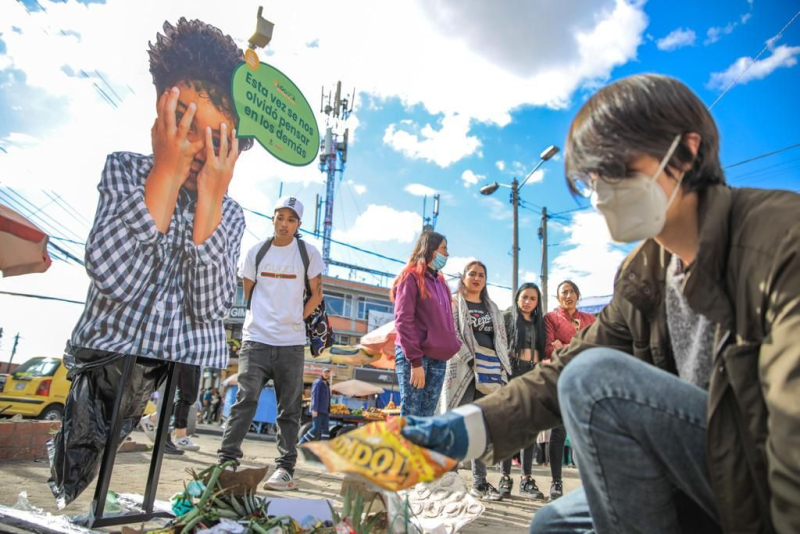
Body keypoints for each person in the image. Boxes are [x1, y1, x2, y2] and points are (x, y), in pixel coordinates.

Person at [400, 74, 800, 534]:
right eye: (591, 178)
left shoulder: (782, 244)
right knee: (553, 524)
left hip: (759, 481)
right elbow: (562, 372)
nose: (600, 191)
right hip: (700, 472)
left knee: (598, 382)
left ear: (687, 151)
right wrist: (459, 432)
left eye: (615, 167)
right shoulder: (645, 272)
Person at [48, 17, 249, 506]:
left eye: (216, 137)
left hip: (171, 359)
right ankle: (73, 487)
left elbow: (209, 307)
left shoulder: (231, 214)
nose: (196, 145)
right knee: (84, 442)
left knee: (126, 426)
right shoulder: (126, 170)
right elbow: (115, 277)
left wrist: (209, 205)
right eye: (183, 120)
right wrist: (164, 174)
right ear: (160, 113)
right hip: (106, 352)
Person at [218, 196, 324, 492]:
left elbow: (317, 294)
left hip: (291, 343)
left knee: (289, 409)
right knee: (245, 399)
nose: (284, 224)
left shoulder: (308, 253)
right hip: (256, 339)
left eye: (291, 219)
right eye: (280, 217)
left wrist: (296, 318)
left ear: (299, 225)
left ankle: (285, 469)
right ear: (273, 219)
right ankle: (226, 460)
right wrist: (264, 316)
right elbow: (249, 291)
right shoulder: (256, 251)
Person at [441, 261, 512, 501]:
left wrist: (502, 368)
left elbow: (501, 340)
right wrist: (471, 360)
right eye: (472, 274)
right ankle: (450, 482)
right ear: (463, 277)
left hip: (490, 372)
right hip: (463, 370)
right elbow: (451, 334)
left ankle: (480, 484)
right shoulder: (453, 302)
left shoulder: (492, 307)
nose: (477, 278)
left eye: (482, 275)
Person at [391, 231, 461, 417]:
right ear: (430, 250)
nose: (447, 254)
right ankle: (405, 447)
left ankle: (420, 448)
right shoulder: (410, 277)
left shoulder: (441, 283)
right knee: (412, 414)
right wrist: (415, 362)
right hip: (416, 356)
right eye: (444, 248)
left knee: (428, 416)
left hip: (438, 357)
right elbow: (403, 320)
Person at [541, 280, 596, 500]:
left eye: (572, 291)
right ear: (558, 298)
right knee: (559, 430)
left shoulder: (590, 319)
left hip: (585, 380)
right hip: (560, 379)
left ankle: (592, 485)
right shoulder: (551, 318)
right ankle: (556, 482)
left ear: (578, 295)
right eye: (564, 292)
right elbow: (547, 348)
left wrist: (563, 345)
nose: (569, 295)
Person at [498, 282, 547, 500]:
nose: (527, 302)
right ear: (517, 297)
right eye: (524, 297)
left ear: (538, 302)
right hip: (512, 374)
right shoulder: (507, 317)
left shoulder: (540, 323)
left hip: (533, 374)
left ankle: (526, 479)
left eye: (532, 298)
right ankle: (504, 477)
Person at [139, 364, 203, 452]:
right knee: (183, 395)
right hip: (184, 355)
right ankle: (180, 436)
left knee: (189, 397)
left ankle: (152, 419)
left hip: (197, 357)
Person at [299, 368, 331, 443]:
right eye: (325, 372)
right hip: (318, 410)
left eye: (328, 373)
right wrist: (314, 409)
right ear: (321, 373)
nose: (326, 374)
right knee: (316, 429)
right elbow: (314, 396)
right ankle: (302, 442)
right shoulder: (318, 382)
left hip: (325, 411)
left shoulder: (326, 384)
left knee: (326, 430)